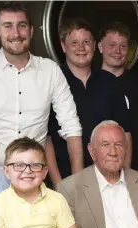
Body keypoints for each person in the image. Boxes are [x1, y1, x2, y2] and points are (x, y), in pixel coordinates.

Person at [0, 2, 83, 168]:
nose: (15, 33)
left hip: (33, 175)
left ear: (31, 31)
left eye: (21, 25)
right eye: (7, 26)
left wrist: (77, 180)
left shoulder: (50, 70)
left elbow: (71, 126)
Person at [46, 18, 132, 184]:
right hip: (65, 177)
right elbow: (46, 139)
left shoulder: (110, 81)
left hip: (108, 179)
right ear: (64, 46)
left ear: (94, 46)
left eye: (86, 42)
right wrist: (59, 185)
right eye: (74, 43)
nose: (81, 48)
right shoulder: (53, 82)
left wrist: (124, 178)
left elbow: (125, 133)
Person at [99, 21, 138, 170]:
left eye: (123, 46)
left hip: (133, 168)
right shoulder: (90, 82)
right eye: (112, 45)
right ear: (100, 47)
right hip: (95, 168)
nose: (117, 51)